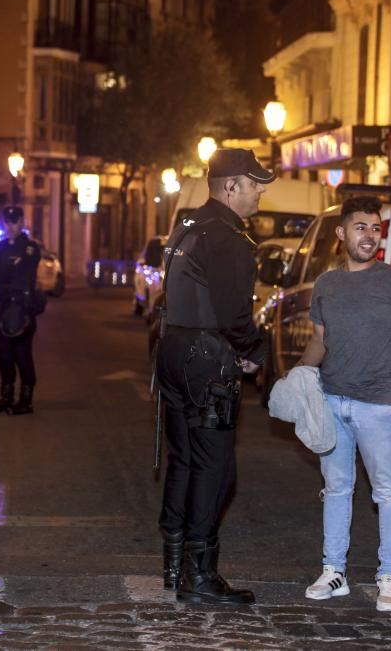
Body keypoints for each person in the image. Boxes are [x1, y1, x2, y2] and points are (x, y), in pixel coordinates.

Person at [295, 196, 391, 613]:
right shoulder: (327, 284)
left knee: (389, 492)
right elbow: (320, 341)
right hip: (332, 401)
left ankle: (389, 578)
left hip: (378, 405)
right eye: (361, 227)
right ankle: (334, 570)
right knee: (337, 488)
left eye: (376, 228)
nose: (370, 235)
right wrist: (296, 381)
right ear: (341, 233)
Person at [156, 148, 273, 605]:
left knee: (184, 459)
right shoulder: (228, 237)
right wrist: (253, 352)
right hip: (207, 358)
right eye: (254, 183)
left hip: (173, 350)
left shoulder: (187, 227)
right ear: (230, 187)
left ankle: (174, 560)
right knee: (215, 468)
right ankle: (199, 575)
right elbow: (234, 313)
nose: (260, 191)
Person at [0, 206, 41, 415]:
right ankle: (5, 397)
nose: (10, 226)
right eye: (7, 222)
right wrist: (9, 267)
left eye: (14, 222)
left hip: (21, 309)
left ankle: (25, 400)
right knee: (3, 354)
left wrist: (6, 269)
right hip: (1, 307)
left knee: (22, 354)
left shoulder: (30, 248)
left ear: (21, 222)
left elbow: (25, 274)